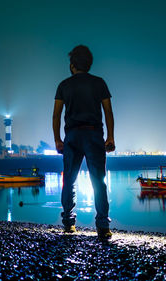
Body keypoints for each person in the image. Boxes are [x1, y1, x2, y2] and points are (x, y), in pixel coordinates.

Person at [52, 45, 115, 239]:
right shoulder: (99, 83)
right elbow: (108, 111)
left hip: (72, 136)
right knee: (99, 181)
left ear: (72, 65)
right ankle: (103, 226)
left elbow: (56, 115)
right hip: (94, 134)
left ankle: (69, 224)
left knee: (69, 180)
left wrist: (57, 140)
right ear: (89, 64)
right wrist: (111, 137)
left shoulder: (64, 85)